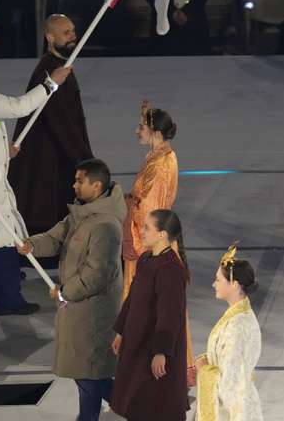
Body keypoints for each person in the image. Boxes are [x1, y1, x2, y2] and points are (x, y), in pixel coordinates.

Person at [16, 158, 125, 420]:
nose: (73, 185)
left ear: (96, 185)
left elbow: (97, 274)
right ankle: (136, 408)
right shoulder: (81, 214)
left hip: (94, 316)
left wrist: (66, 291)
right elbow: (55, 237)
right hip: (79, 313)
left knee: (88, 377)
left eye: (79, 180)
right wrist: (32, 245)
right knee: (89, 377)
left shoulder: (106, 226)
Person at [0, 36, 70, 315]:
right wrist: (51, 84)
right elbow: (17, 107)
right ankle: (8, 299)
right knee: (2, 236)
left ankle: (9, 289)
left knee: (0, 233)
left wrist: (4, 151)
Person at [9, 14, 93, 242]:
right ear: (50, 37)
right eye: (66, 33)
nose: (73, 37)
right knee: (46, 209)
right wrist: (87, 161)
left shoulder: (59, 67)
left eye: (73, 31)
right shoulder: (49, 73)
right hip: (48, 160)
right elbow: (62, 123)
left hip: (55, 157)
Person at [111, 209, 190, 421]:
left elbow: (170, 315)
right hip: (137, 343)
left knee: (154, 405)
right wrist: (121, 331)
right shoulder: (146, 259)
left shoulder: (170, 269)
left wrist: (161, 351)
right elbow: (132, 299)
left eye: (147, 228)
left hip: (153, 348)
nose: (142, 231)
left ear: (163, 234)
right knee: (136, 405)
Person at [195, 244, 263, 421]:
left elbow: (230, 382)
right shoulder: (238, 316)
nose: (213, 284)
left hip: (233, 412)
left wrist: (205, 370)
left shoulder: (238, 325)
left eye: (218, 280)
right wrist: (207, 360)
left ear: (234, 284)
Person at [122, 102, 178, 299]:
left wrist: (125, 205)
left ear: (156, 133)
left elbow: (148, 211)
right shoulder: (157, 156)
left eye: (142, 127)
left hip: (148, 247)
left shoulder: (160, 166)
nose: (137, 131)